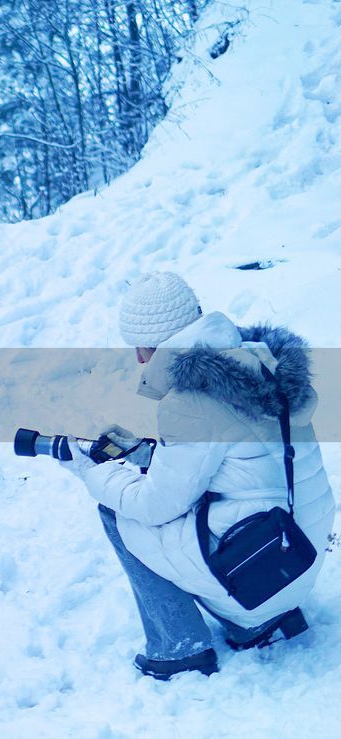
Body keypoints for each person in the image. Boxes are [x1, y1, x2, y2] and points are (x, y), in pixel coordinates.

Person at [61, 272, 334, 679]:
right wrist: (144, 453)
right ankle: (262, 622)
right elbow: (236, 458)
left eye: (140, 347)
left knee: (117, 511)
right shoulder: (259, 363)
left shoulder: (191, 399)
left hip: (261, 568)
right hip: (296, 555)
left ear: (154, 344)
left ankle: (178, 646)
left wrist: (91, 471)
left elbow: (156, 505)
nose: (139, 360)